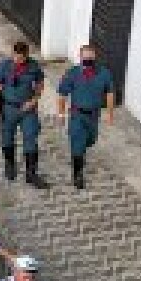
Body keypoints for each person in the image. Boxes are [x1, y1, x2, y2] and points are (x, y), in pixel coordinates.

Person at [56, 44, 117, 190]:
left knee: (90, 140)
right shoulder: (72, 73)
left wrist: (109, 113)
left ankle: (80, 151)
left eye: (90, 56)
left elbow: (109, 93)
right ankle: (77, 174)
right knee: (77, 143)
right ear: (80, 56)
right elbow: (62, 94)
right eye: (85, 57)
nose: (88, 59)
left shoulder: (104, 73)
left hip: (94, 115)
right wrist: (61, 113)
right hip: (77, 114)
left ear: (94, 57)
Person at [0, 41, 48, 187]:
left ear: (26, 56)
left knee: (31, 138)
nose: (18, 60)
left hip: (27, 109)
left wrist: (34, 99)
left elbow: (40, 83)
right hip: (8, 108)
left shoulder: (33, 66)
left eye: (21, 58)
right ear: (12, 54)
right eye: (15, 57)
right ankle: (10, 165)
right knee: (7, 138)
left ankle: (31, 174)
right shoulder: (4, 66)